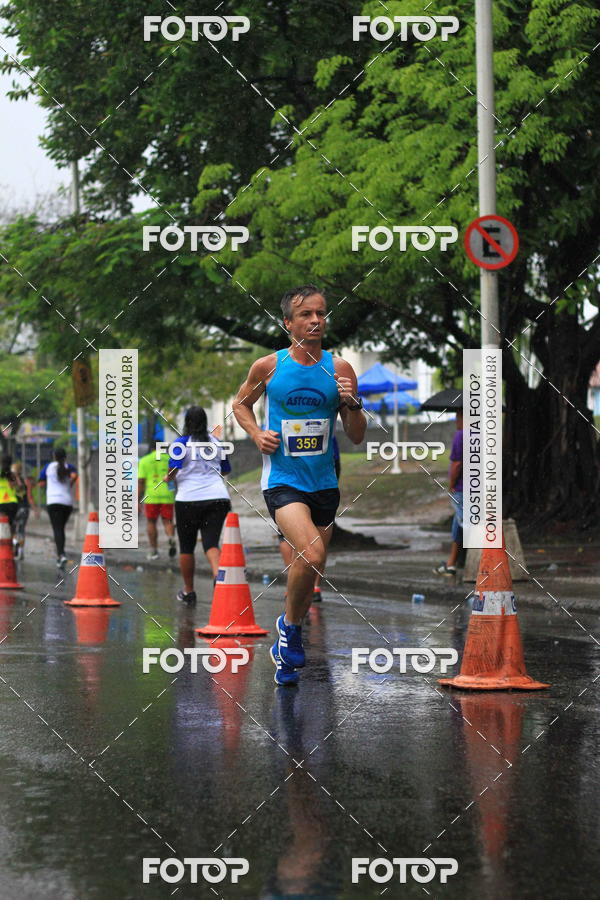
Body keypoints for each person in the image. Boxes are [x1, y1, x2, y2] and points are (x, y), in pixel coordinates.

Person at [233, 284, 366, 686]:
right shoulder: (268, 367)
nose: (315, 321)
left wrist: (352, 404)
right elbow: (241, 405)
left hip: (324, 481)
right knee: (310, 552)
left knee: (314, 563)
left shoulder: (340, 369)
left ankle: (288, 633)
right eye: (306, 315)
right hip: (283, 479)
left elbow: (356, 435)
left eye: (321, 313)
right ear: (288, 323)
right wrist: (257, 434)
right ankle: (291, 631)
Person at [166, 406, 232, 606]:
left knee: (187, 547)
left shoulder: (181, 444)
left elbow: (172, 472)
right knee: (211, 544)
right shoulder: (217, 442)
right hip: (218, 498)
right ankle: (220, 583)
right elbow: (225, 470)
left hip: (188, 500)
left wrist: (166, 477)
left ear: (187, 422)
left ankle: (189, 591)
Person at [276, 435, 341, 603]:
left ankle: (298, 585)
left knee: (308, 542)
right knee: (314, 542)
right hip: (303, 485)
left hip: (302, 482)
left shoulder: (283, 417)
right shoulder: (323, 420)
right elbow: (336, 462)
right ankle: (311, 586)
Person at [433, 409, 463, 577]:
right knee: (458, 524)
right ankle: (451, 563)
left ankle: (482, 563)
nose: (456, 421)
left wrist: (451, 484)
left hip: (463, 488)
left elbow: (457, 464)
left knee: (466, 523)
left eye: (458, 417)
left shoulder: (461, 435)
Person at [138, 439, 177, 560]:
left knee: (151, 522)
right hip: (168, 495)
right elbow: (174, 477)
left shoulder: (144, 461)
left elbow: (141, 482)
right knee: (168, 521)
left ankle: (154, 550)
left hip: (151, 496)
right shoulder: (169, 460)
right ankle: (171, 538)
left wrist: (138, 500)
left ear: (151, 448)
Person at [38, 447, 78, 568]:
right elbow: (74, 475)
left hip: (53, 501)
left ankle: (61, 555)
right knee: (61, 528)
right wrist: (69, 484)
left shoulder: (48, 467)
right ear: (65, 457)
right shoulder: (69, 467)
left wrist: (48, 487)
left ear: (54, 456)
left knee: (57, 529)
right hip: (67, 502)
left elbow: (41, 483)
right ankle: (61, 555)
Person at [11, 461, 38, 559]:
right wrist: (35, 509)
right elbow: (30, 496)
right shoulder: (26, 481)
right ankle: (21, 552)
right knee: (21, 530)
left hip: (13, 509)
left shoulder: (10, 483)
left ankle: (14, 545)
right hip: (24, 509)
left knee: (13, 530)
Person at [0, 455, 20, 537]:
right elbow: (18, 486)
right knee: (11, 524)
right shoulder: (12, 475)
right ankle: (13, 543)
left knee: (2, 525)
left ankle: (3, 545)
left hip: (1, 503)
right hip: (12, 503)